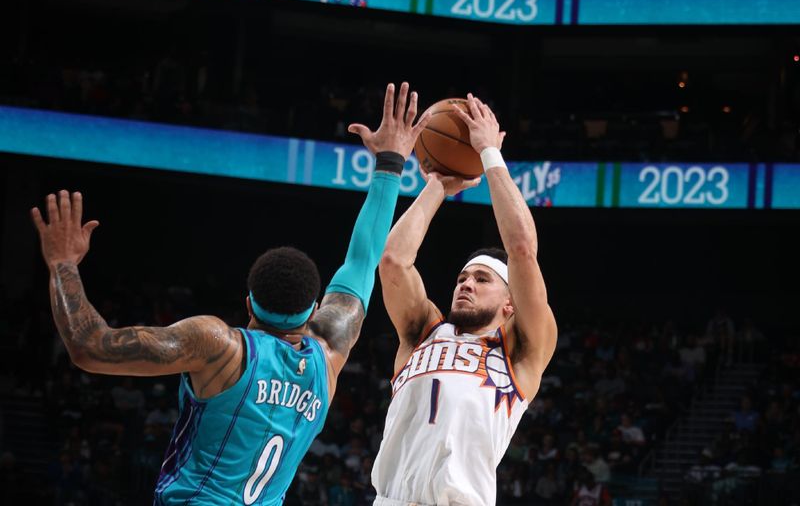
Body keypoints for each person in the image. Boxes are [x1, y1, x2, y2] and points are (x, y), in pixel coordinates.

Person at [31, 82, 431, 505]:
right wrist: (390, 165)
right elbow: (363, 260)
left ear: (248, 303)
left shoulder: (217, 344)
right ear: (312, 309)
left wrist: (62, 265)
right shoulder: (329, 354)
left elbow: (90, 346)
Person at [371, 94, 558, 505]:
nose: (466, 284)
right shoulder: (423, 333)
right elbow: (393, 261)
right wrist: (437, 186)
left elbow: (523, 248)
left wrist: (489, 153)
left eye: (482, 279)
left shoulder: (520, 350)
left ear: (510, 303)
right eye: (462, 277)